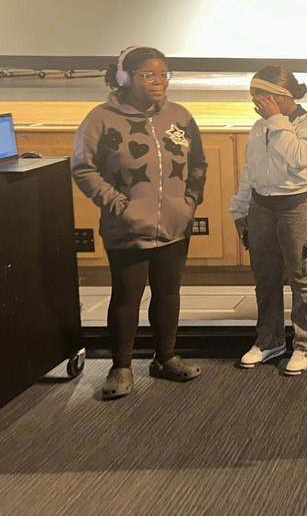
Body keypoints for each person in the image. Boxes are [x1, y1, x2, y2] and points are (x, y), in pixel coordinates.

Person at [72, 46, 206, 399]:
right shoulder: (101, 118)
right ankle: (120, 367)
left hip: (174, 227)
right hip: (126, 229)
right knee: (126, 297)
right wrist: (118, 205)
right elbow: (83, 168)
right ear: (125, 78)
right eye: (148, 75)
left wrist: (189, 202)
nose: (159, 82)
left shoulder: (179, 115)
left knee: (168, 294)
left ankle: (166, 358)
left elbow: (198, 164)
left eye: (163, 75)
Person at [229, 66, 307, 375]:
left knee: (302, 275)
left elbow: (300, 157)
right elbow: (251, 169)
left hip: (299, 204)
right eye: (253, 96)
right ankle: (270, 340)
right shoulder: (259, 127)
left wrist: (276, 120)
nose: (256, 102)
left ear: (281, 95)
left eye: (261, 95)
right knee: (265, 276)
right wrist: (239, 208)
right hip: (261, 206)